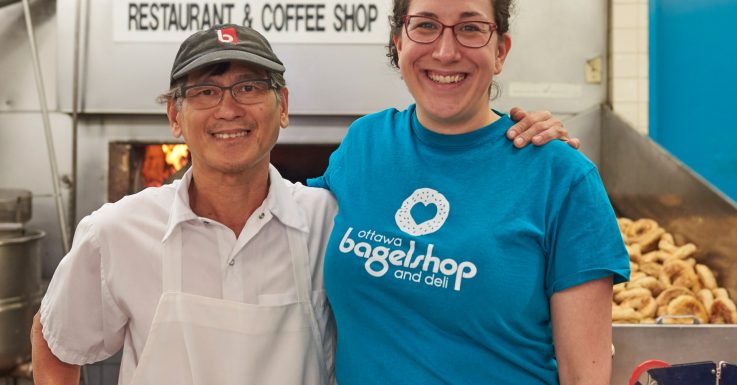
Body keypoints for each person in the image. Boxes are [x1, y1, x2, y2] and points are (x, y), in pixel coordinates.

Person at [30, 23, 574, 385]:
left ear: (283, 107)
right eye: (204, 91)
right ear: (175, 117)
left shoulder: (334, 222)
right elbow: (55, 342)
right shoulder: (118, 230)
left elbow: (447, 224)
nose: (229, 108)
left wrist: (516, 148)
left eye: (250, 87)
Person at [308, 0, 630, 385]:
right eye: (425, 26)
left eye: (470, 29)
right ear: (398, 41)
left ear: (500, 51)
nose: (444, 51)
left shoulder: (561, 178)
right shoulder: (365, 143)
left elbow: (585, 377)